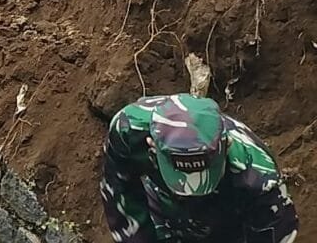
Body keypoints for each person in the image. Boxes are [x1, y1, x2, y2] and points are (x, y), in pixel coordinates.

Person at [101, 94, 299, 243]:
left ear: (227, 145)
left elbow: (275, 232)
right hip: (163, 210)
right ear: (151, 146)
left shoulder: (258, 176)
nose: (191, 193)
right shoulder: (128, 131)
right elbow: (119, 192)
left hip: (229, 218)